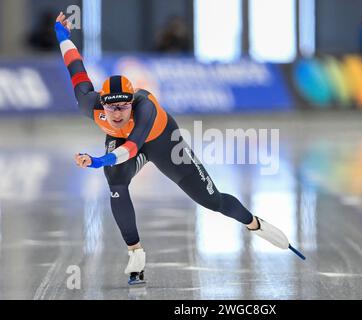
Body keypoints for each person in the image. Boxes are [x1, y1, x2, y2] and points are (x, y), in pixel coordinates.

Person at [54, 12, 294, 285]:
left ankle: (253, 223)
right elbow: (75, 66)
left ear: (132, 103)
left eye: (123, 107)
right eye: (112, 108)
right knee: (116, 182)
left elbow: (133, 147)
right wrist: (63, 36)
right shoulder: (88, 103)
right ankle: (136, 253)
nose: (118, 114)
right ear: (102, 105)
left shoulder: (145, 108)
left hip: (161, 141)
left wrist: (97, 161)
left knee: (211, 200)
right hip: (124, 143)